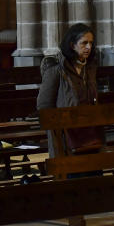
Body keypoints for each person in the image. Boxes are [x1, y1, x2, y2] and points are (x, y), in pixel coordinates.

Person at [36, 23, 100, 155]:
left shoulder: (90, 68)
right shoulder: (55, 69)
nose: (89, 47)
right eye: (84, 43)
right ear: (72, 45)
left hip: (90, 131)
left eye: (91, 43)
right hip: (66, 136)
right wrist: (58, 131)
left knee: (93, 172)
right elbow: (44, 105)